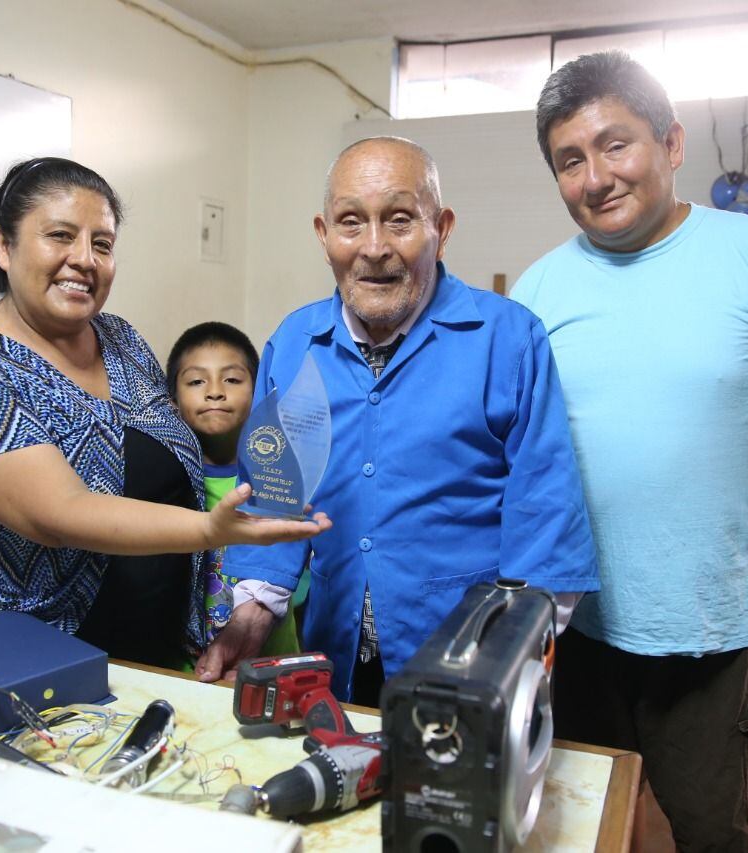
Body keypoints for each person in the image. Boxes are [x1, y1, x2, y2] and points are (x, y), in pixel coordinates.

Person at [511, 52, 748, 851]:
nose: (595, 177)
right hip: (579, 634)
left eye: (615, 145)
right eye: (570, 160)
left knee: (723, 833)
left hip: (720, 635)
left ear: (671, 144)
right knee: (580, 829)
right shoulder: (536, 295)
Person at [196, 137, 599, 704]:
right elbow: (274, 498)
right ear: (323, 233)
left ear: (443, 227)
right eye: (351, 222)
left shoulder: (509, 340)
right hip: (332, 659)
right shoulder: (293, 345)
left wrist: (513, 663)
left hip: (469, 662)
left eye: (401, 219)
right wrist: (252, 615)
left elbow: (545, 512)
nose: (375, 247)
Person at [0, 157, 328, 669]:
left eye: (102, 244)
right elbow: (59, 514)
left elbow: (167, 457)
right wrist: (211, 529)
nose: (84, 259)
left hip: (153, 649)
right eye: (61, 236)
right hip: (32, 661)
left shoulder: (120, 339)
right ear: (4, 245)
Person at [166, 321, 300, 655]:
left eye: (232, 379)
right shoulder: (169, 482)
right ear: (172, 401)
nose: (215, 391)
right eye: (197, 381)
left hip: (273, 660)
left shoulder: (279, 478)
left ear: (259, 393)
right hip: (188, 666)